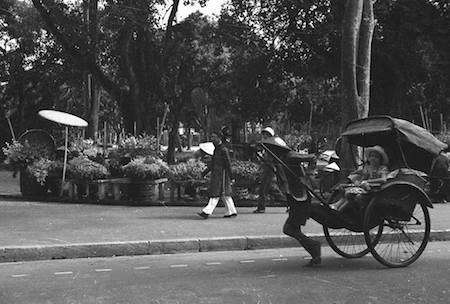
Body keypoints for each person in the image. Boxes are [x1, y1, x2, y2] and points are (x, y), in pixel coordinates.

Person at [330, 145, 389, 211]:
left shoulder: (382, 168)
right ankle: (337, 206)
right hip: (364, 187)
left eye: (376, 157)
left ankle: (340, 209)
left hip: (374, 189)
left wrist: (368, 182)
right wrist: (357, 177)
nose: (373, 158)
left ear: (380, 159)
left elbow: (383, 179)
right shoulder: (367, 168)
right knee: (346, 191)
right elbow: (363, 176)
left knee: (350, 193)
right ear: (368, 158)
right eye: (371, 156)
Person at [197, 130, 237, 219]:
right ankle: (231, 211)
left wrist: (231, 176)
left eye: (213, 137)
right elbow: (212, 164)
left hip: (222, 175)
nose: (211, 139)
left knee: (215, 194)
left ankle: (206, 211)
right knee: (225, 195)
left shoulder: (223, 150)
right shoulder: (216, 149)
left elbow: (228, 164)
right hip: (217, 175)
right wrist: (204, 172)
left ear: (219, 138)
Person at [253, 127, 288, 213]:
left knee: (265, 188)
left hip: (271, 168)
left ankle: (261, 207)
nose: (264, 136)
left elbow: (272, 159)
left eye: (266, 134)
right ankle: (288, 203)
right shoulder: (266, 145)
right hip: (269, 168)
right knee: (271, 189)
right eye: (263, 134)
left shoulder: (273, 146)